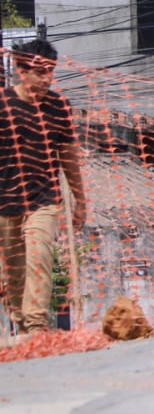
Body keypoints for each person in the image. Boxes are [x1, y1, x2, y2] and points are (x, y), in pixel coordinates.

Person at [0, 38, 87, 339]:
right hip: (5, 202)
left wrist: (80, 200)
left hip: (44, 199)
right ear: (22, 72)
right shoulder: (3, 104)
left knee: (40, 255)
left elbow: (69, 156)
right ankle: (23, 327)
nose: (47, 78)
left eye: (50, 71)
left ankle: (37, 326)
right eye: (40, 72)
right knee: (14, 273)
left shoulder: (59, 106)